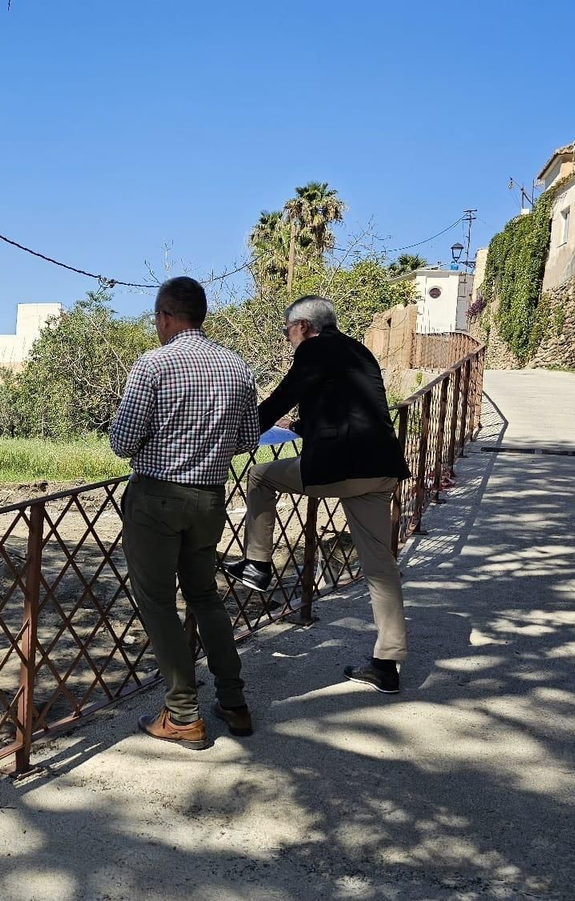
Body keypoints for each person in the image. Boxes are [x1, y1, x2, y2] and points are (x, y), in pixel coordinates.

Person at [222, 296, 412, 694]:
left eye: (287, 330)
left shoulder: (314, 349)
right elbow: (347, 410)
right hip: (382, 468)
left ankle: (257, 564)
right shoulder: (359, 351)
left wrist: (234, 438)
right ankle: (387, 664)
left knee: (259, 476)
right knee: (380, 566)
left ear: (304, 326)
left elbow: (279, 399)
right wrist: (300, 425)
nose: (288, 338)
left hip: (340, 468)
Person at [109, 276, 260, 750]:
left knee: (157, 603)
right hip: (209, 499)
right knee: (205, 596)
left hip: (156, 499)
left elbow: (122, 442)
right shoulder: (237, 367)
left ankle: (183, 715)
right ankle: (233, 701)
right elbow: (247, 439)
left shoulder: (153, 364)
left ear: (165, 316)